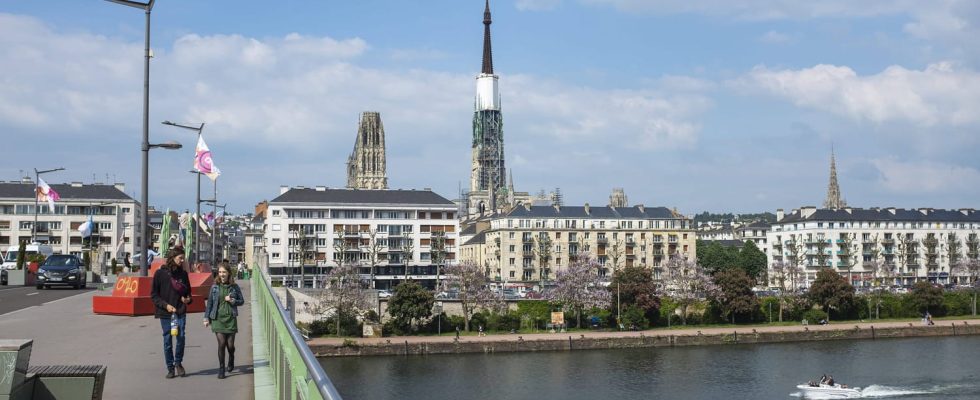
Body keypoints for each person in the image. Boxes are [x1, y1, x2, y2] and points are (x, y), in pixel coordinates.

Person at [150, 246, 193, 379]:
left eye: (183, 258)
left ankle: (178, 363)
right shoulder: (160, 274)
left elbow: (189, 294)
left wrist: (187, 299)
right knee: (167, 340)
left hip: (180, 311)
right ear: (172, 258)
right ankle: (170, 367)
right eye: (180, 258)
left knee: (180, 338)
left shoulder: (184, 274)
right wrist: (166, 305)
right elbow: (154, 295)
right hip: (165, 313)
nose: (182, 261)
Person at [203, 262, 245, 379]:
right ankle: (221, 369)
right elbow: (210, 303)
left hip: (230, 318)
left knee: (230, 345)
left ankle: (231, 358)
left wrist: (233, 301)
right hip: (217, 318)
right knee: (221, 344)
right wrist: (206, 318)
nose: (221, 274)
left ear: (228, 273)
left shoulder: (234, 287)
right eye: (220, 272)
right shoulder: (214, 287)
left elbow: (241, 301)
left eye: (224, 272)